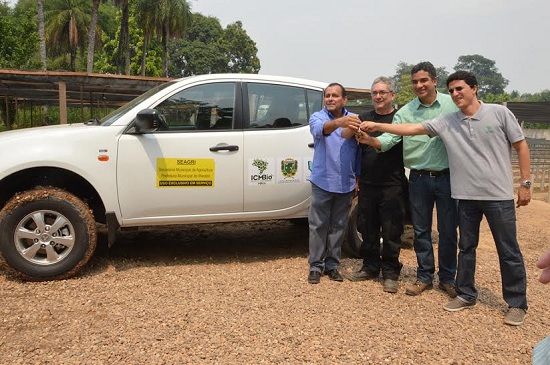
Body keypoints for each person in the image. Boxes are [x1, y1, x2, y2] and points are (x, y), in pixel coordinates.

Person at [359, 70, 531, 326]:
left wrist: (525, 183)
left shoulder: (497, 113)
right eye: (453, 91)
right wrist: (377, 128)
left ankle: (516, 303)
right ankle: (464, 293)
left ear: (474, 88)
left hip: (496, 194)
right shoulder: (448, 120)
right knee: (464, 246)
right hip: (462, 193)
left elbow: (521, 145)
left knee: (507, 249)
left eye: (460, 89)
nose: (456, 94)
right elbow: (410, 128)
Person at [358, 62, 459, 298]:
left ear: (434, 81)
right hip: (419, 178)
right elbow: (388, 141)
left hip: (447, 176)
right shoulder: (405, 112)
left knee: (447, 230)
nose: (419, 85)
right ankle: (424, 277)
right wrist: (370, 140)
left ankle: (447, 278)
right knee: (421, 230)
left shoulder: (450, 104)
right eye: (415, 81)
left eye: (424, 80)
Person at [346, 77, 406, 293]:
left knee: (391, 228)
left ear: (392, 95)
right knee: (368, 226)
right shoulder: (364, 117)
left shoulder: (399, 118)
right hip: (368, 182)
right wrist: (356, 176)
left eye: (383, 92)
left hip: (392, 182)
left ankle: (390, 271)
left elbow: (390, 142)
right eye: (375, 93)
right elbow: (354, 148)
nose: (378, 96)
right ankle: (370, 266)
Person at [307, 82, 361, 284]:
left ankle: (332, 265)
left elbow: (358, 149)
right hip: (322, 181)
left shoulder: (354, 119)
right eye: (327, 95)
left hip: (345, 182)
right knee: (318, 225)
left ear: (344, 99)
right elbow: (320, 130)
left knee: (339, 226)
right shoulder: (317, 117)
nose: (330, 99)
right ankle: (315, 266)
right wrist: (341, 123)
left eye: (334, 95)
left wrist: (358, 177)